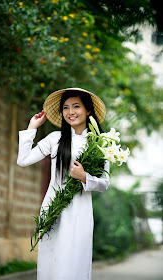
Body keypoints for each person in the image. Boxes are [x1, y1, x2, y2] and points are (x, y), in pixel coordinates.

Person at [17, 87, 110, 280]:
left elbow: (104, 183)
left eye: (76, 106)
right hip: (53, 209)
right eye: (66, 108)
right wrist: (32, 128)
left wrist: (85, 177)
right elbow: (23, 160)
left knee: (74, 262)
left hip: (80, 212)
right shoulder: (55, 139)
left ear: (88, 110)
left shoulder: (100, 144)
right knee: (50, 261)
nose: (70, 112)